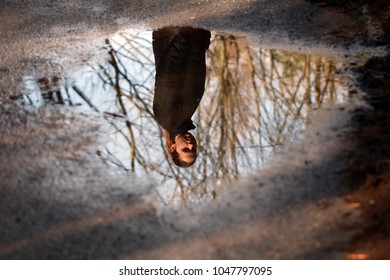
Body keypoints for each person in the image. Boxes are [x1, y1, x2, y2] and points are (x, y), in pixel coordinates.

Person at [152, 26, 211, 167]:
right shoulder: (181, 120)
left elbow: (166, 76)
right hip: (185, 35)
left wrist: (184, 39)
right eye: (194, 149)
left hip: (174, 34)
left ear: (173, 148)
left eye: (185, 149)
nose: (191, 145)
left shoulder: (169, 119)